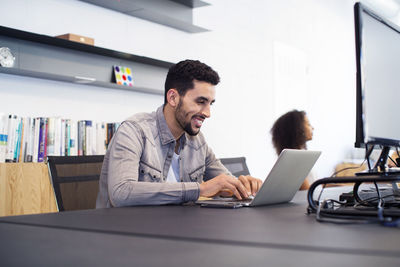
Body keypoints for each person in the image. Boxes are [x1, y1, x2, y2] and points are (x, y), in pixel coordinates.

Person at [96, 59, 263, 208]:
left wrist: (242, 186)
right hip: (126, 235)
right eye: (200, 102)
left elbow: (224, 182)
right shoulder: (134, 131)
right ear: (173, 98)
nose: (207, 113)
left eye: (210, 103)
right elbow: (121, 193)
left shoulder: (197, 141)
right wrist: (200, 189)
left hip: (176, 231)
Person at [270, 110, 314, 190]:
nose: (312, 128)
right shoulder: (293, 160)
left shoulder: (299, 156)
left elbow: (315, 186)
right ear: (298, 129)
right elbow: (308, 190)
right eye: (308, 124)